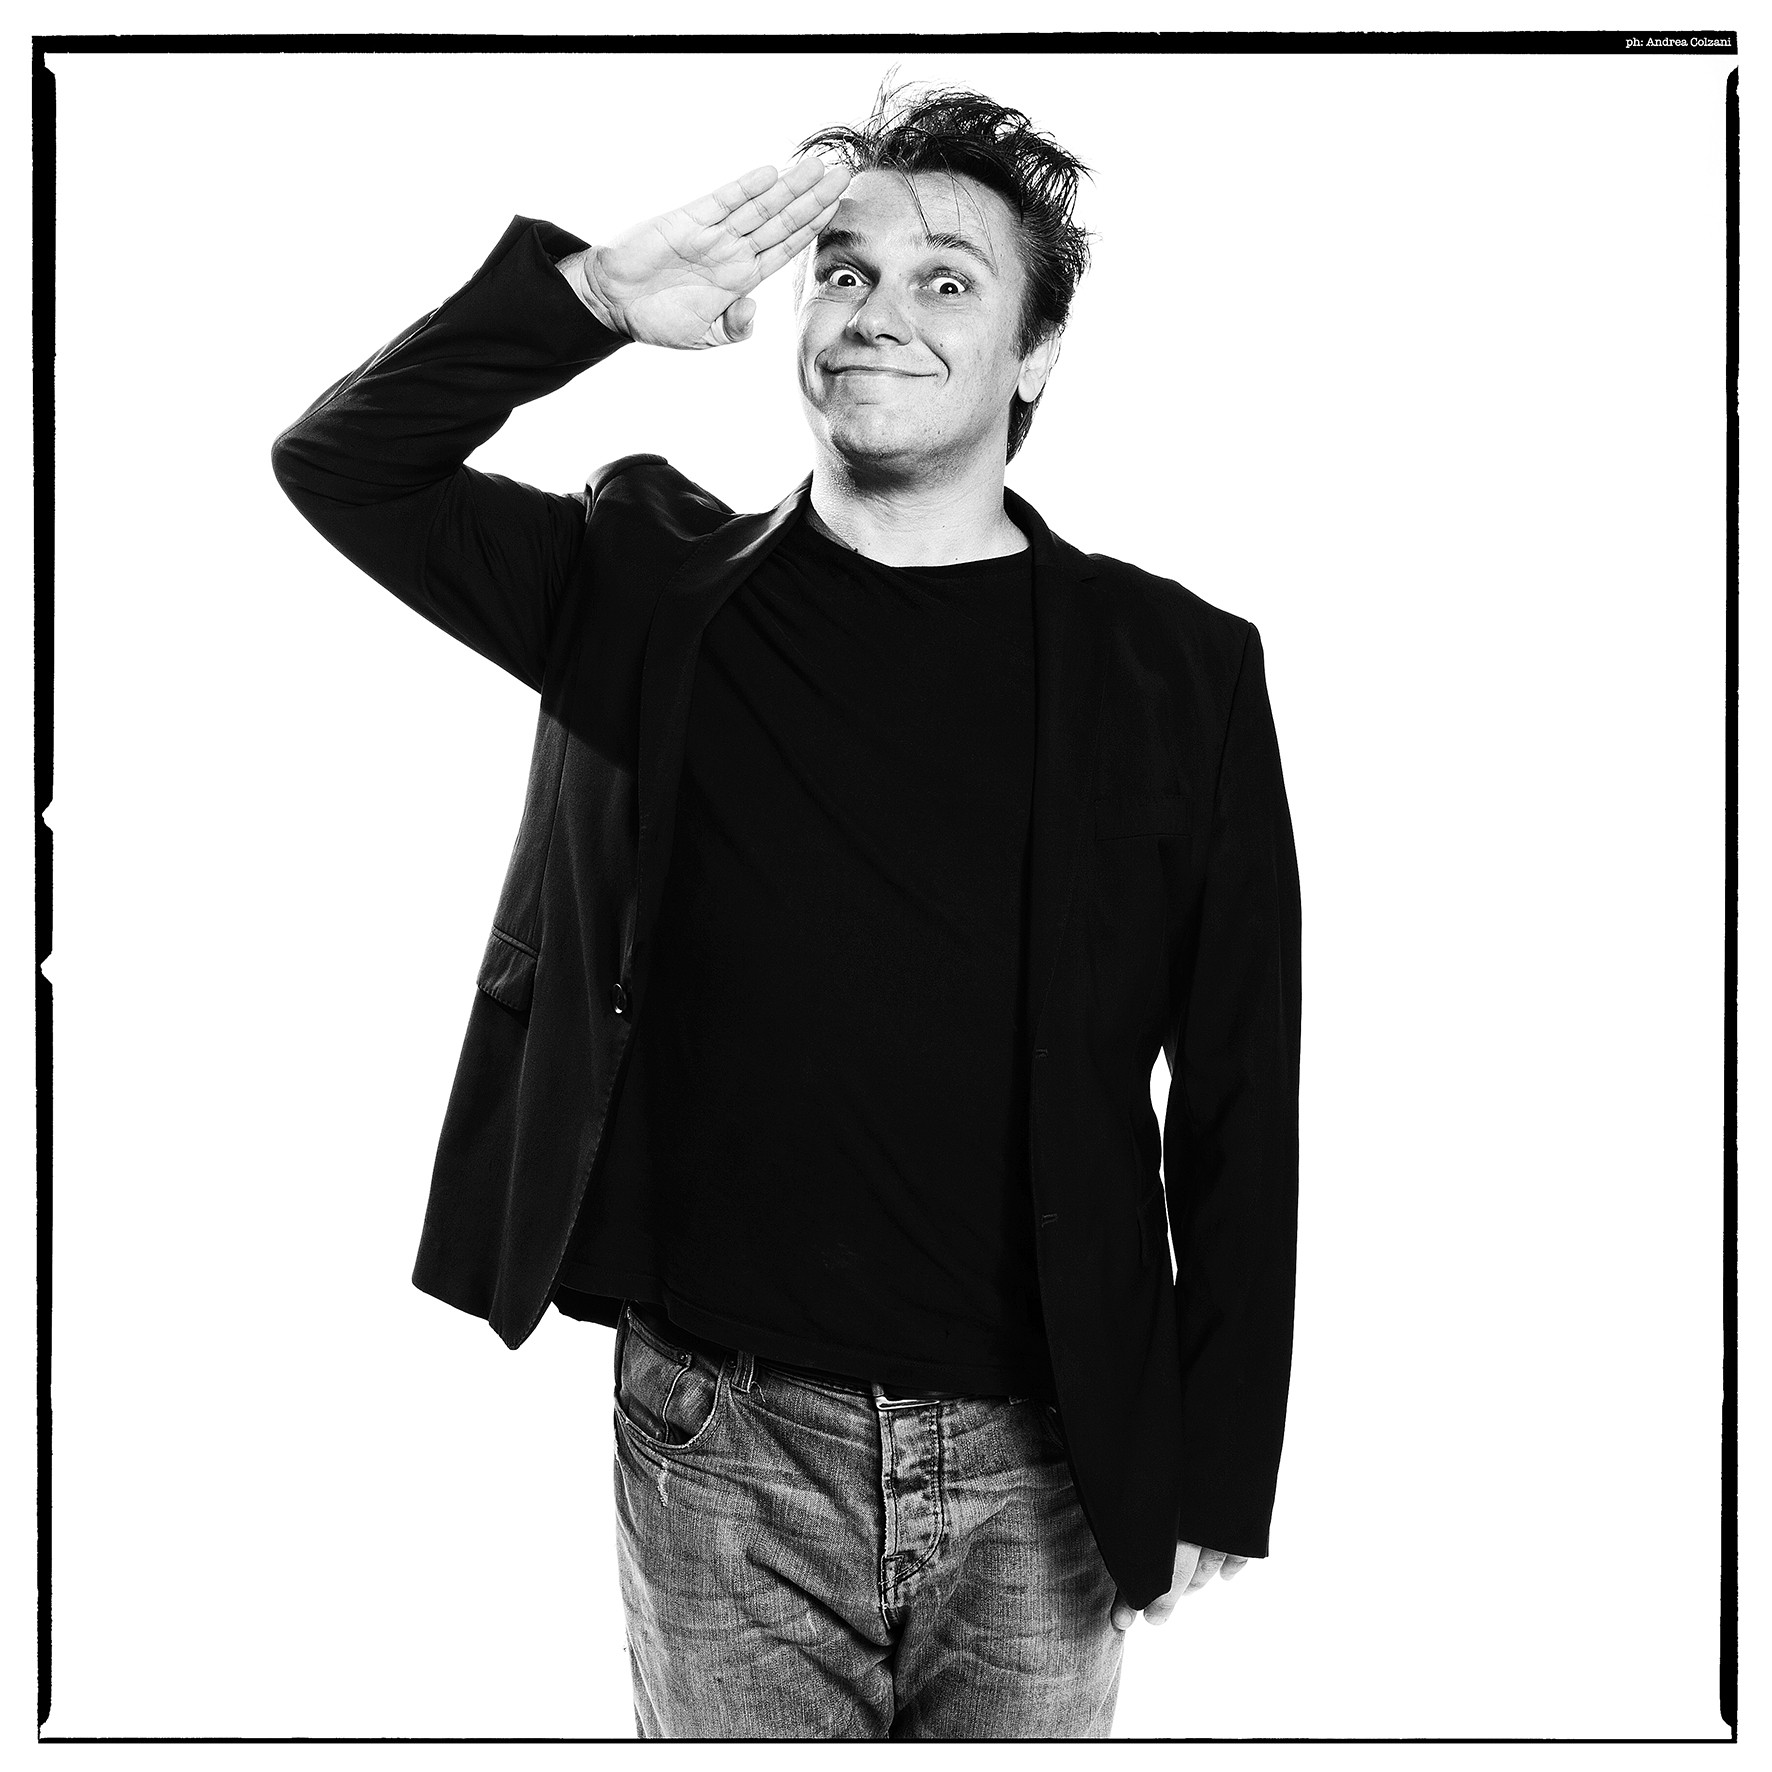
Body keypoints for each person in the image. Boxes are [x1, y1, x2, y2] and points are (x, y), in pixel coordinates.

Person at [272, 84, 1301, 1741]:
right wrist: (592, 297)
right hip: (720, 1445)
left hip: (1046, 1458)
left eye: (948, 281)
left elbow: (1243, 1085)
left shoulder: (1178, 668)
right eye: (845, 273)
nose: (878, 313)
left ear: (1037, 356)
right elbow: (344, 464)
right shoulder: (643, 582)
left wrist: (1217, 1456)